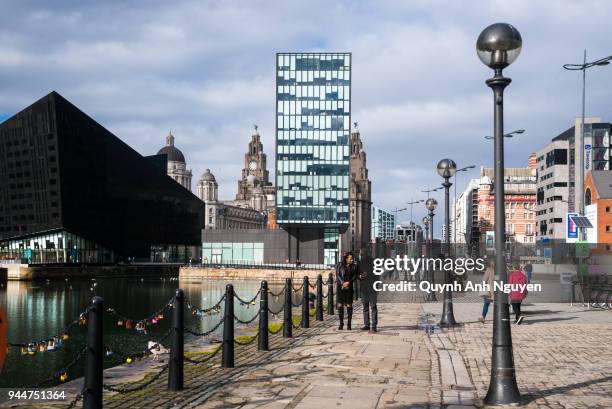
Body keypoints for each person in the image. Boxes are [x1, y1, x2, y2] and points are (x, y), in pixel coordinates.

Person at [336, 252, 358, 330]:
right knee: (340, 305)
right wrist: (342, 283)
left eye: (352, 259)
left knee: (349, 305)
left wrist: (349, 282)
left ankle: (349, 324)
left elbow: (355, 276)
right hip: (340, 287)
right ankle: (341, 323)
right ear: (346, 259)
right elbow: (338, 274)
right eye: (350, 259)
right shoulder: (339, 265)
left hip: (349, 287)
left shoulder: (354, 266)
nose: (352, 260)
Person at [358, 247, 378, 333]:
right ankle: (366, 325)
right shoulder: (359, 263)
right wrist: (360, 276)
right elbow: (357, 274)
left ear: (366, 254)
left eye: (362, 254)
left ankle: (374, 326)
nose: (361, 256)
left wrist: (368, 274)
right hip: (363, 288)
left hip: (372, 287)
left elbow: (377, 273)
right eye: (360, 254)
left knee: (373, 306)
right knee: (365, 306)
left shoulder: (373, 261)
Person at [479, 259, 495, 324]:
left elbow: (484, 280)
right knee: (498, 305)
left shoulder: (489, 270)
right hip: (498, 290)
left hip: (489, 290)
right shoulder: (500, 269)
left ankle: (483, 317)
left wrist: (482, 286)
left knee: (486, 304)